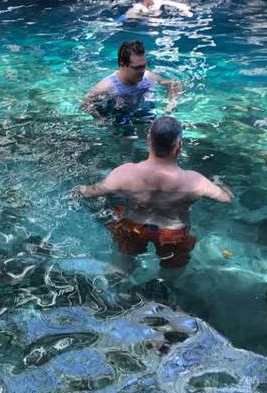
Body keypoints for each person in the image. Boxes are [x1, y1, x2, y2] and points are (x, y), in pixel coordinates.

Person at [77, 116, 233, 277]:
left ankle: (118, 293)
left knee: (119, 272)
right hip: (173, 234)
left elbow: (90, 192)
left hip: (133, 228)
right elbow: (226, 198)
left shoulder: (125, 173)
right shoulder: (195, 181)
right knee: (170, 274)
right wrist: (219, 183)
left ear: (148, 140)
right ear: (179, 146)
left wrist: (78, 187)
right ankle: (161, 296)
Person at [81, 40, 183, 129]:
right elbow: (85, 103)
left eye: (143, 66)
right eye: (137, 68)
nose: (142, 71)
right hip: (118, 114)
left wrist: (172, 102)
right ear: (122, 65)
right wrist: (100, 119)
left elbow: (174, 84)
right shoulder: (107, 86)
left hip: (141, 109)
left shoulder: (147, 77)